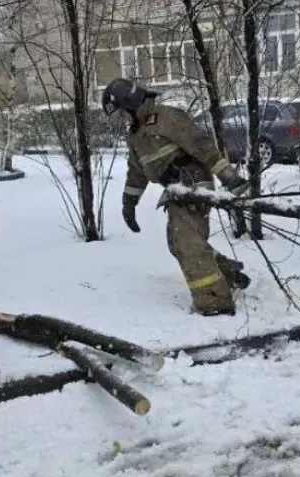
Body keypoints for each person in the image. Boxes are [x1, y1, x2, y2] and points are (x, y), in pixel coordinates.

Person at [102, 78, 251, 317]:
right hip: (174, 190)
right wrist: (128, 206)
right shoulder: (137, 135)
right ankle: (228, 273)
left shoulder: (166, 117)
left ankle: (215, 302)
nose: (122, 119)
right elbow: (136, 173)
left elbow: (202, 146)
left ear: (130, 103)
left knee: (187, 242)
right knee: (178, 242)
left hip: (193, 185)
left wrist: (229, 176)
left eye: (121, 113)